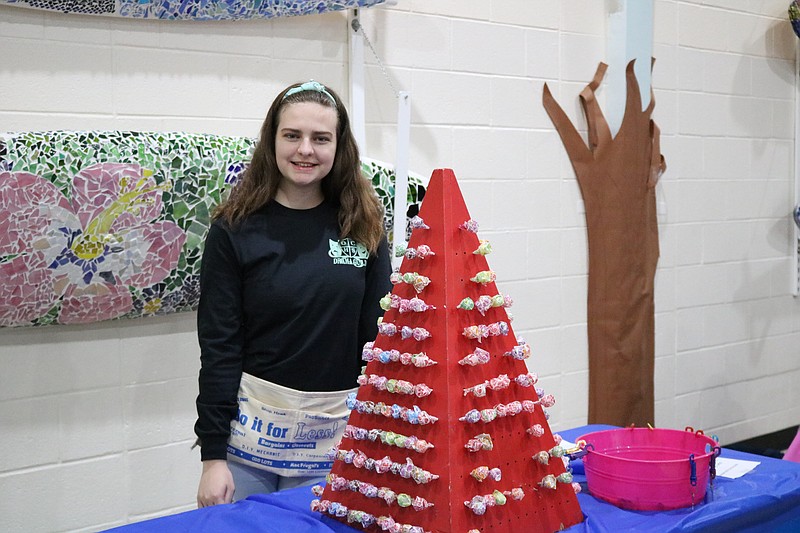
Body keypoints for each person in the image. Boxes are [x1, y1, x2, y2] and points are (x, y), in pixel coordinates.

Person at [194, 80, 391, 507]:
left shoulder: (363, 228)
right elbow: (220, 346)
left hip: (335, 443)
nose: (306, 149)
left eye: (321, 138)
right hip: (251, 445)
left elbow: (379, 343)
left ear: (339, 147)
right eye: (292, 135)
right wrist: (213, 459)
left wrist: (382, 438)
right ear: (272, 141)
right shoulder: (234, 230)